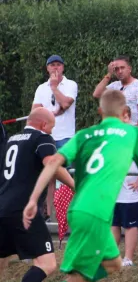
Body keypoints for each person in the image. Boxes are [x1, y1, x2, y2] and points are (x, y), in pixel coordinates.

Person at [6, 89, 138, 282]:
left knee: (114, 264)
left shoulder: (84, 135)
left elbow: (53, 163)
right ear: (126, 114)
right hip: (96, 213)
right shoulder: (133, 132)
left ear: (100, 113)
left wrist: (34, 200)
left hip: (80, 210)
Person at [0, 108, 74, 282]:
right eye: (51, 127)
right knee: (47, 263)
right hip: (24, 210)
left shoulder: (12, 139)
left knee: (2, 258)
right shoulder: (42, 138)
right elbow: (51, 164)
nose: (51, 131)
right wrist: (74, 185)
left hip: (3, 206)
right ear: (43, 125)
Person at [32, 55, 78, 220]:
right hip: (46, 136)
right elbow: (35, 112)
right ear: (47, 68)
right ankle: (49, 212)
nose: (55, 68)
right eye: (52, 65)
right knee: (48, 174)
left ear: (63, 67)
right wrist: (51, 112)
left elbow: (65, 104)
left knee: (65, 174)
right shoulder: (40, 88)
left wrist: (54, 87)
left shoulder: (70, 84)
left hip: (65, 137)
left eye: (58, 65)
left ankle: (69, 213)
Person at [111, 106, 138, 267]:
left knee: (130, 224)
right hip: (115, 190)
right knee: (114, 224)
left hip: (131, 189)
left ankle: (128, 258)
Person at [93, 55, 138, 128]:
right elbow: (96, 94)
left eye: (122, 68)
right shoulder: (114, 86)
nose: (120, 71)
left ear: (129, 69)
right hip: (115, 131)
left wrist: (137, 134)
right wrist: (109, 74)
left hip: (131, 130)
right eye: (116, 69)